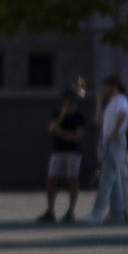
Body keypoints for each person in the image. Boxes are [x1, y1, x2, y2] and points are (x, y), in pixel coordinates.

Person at [42, 78, 92, 223]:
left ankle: (71, 211)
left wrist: (61, 132)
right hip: (57, 151)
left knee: (72, 180)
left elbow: (77, 136)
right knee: (51, 179)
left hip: (73, 153)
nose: (66, 105)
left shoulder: (79, 116)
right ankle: (50, 210)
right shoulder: (57, 114)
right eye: (64, 102)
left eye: (69, 102)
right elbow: (51, 129)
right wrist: (62, 116)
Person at [93, 74, 128, 224]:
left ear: (114, 86)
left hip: (116, 140)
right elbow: (98, 123)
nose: (104, 90)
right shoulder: (111, 103)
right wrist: (99, 104)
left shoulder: (120, 99)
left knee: (116, 175)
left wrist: (116, 130)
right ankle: (117, 211)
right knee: (116, 176)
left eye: (106, 86)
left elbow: (123, 113)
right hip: (108, 140)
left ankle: (121, 211)